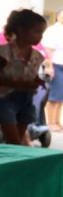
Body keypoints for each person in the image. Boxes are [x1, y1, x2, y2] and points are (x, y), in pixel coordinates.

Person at [0, 9, 47, 145]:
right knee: (13, 140)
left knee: (18, 140)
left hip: (26, 100)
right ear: (21, 30)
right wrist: (20, 85)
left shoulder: (37, 56)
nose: (40, 36)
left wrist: (39, 81)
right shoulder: (4, 52)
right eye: (37, 31)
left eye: (42, 33)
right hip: (4, 100)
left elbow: (39, 75)